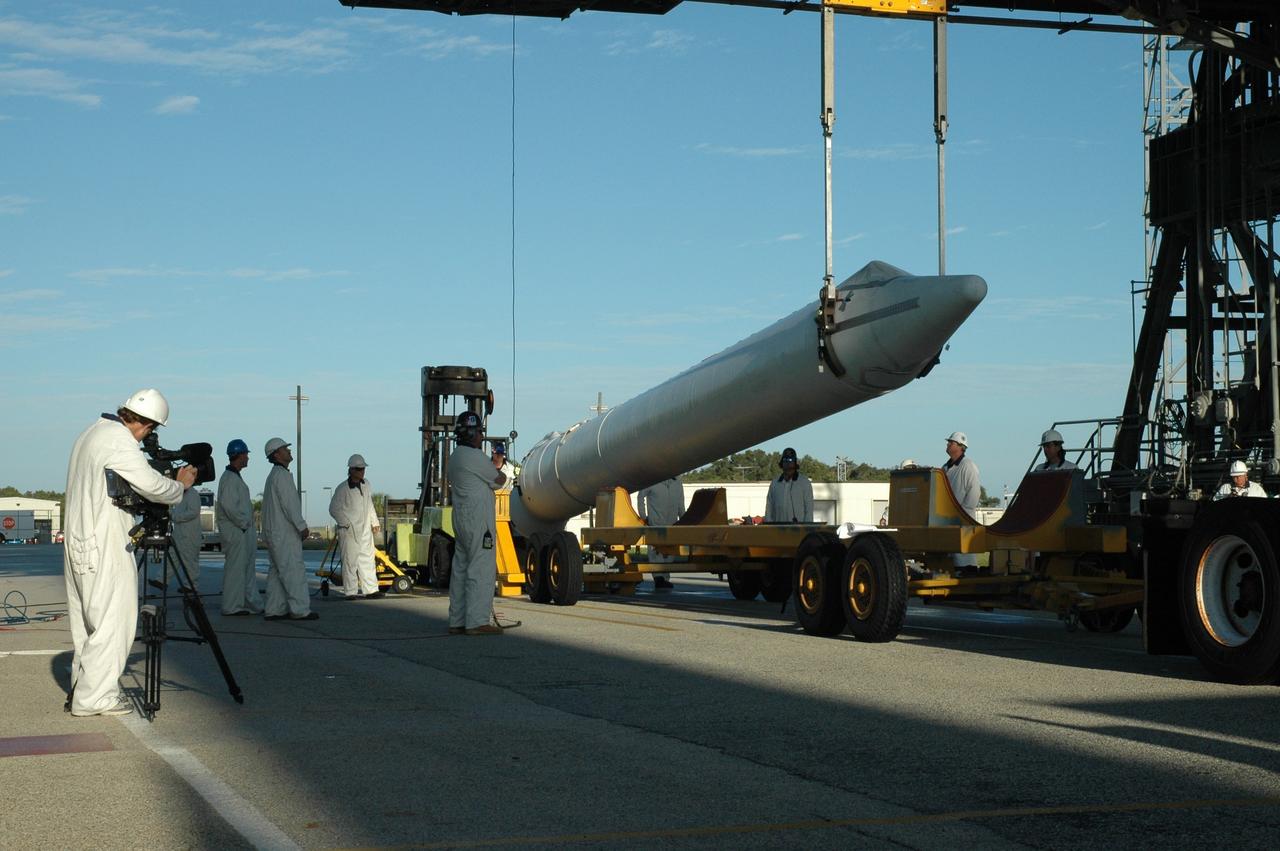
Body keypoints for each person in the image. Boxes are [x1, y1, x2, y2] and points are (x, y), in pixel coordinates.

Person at [63, 388, 196, 717]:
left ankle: (84, 685)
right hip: (103, 541)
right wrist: (180, 486)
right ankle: (95, 698)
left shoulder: (91, 433)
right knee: (113, 621)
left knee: (88, 624)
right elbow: (151, 485)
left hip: (80, 539)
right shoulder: (118, 439)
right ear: (147, 425)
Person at [447, 411, 506, 635]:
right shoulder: (475, 456)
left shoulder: (455, 457)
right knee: (481, 569)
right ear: (471, 434)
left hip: (461, 519)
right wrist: (498, 466)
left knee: (461, 569)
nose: (482, 436)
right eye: (480, 432)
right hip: (479, 521)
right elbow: (498, 481)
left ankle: (457, 620)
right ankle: (477, 622)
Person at [261, 437, 317, 621]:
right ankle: (300, 610)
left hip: (275, 533)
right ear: (277, 454)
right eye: (285, 449)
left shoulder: (273, 476)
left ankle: (274, 609)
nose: (289, 451)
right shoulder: (282, 476)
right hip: (284, 533)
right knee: (293, 571)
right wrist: (301, 526)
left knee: (277, 572)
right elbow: (290, 504)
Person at [217, 439, 262, 616]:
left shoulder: (233, 477)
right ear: (239, 455)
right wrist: (243, 524)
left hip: (240, 531)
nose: (248, 458)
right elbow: (229, 506)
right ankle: (231, 606)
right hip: (236, 532)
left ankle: (250, 603)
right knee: (235, 570)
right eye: (246, 454)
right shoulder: (229, 479)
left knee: (245, 569)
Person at [329, 453, 382, 600]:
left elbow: (369, 504)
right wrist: (345, 523)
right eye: (359, 469)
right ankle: (350, 591)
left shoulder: (366, 485)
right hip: (349, 532)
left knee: (368, 559)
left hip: (365, 529)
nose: (362, 471)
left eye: (363, 468)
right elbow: (333, 509)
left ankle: (371, 590)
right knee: (350, 562)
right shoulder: (342, 489)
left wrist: (374, 522)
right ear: (351, 470)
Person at [638, 476, 686, 589]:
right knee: (655, 550)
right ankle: (658, 577)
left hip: (672, 522)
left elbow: (681, 503)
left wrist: (683, 519)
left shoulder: (677, 482)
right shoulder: (652, 479)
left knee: (670, 551)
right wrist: (643, 517)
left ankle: (665, 578)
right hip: (656, 522)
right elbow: (640, 496)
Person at [943, 431, 981, 569]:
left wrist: (963, 513)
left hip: (963, 520)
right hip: (947, 520)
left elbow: (974, 493)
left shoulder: (968, 465)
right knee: (950, 559)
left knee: (964, 559)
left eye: (951, 442)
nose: (947, 444)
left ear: (960, 446)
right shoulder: (945, 468)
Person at [765, 447, 813, 523]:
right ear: (782, 463)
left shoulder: (804, 483)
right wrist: (769, 525)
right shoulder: (775, 483)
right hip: (778, 528)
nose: (788, 463)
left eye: (790, 460)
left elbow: (809, 509)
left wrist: (807, 527)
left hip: (798, 528)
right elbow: (769, 507)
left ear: (795, 463)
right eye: (785, 460)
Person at [169, 484, 202, 591]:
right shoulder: (180, 495)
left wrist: (176, 517)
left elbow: (193, 512)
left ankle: (191, 586)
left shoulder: (193, 494)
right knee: (173, 557)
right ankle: (161, 580)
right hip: (179, 534)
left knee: (190, 561)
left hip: (190, 535)